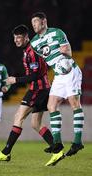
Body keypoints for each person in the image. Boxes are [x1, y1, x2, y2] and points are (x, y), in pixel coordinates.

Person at [0, 24, 54, 162]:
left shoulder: (31, 51)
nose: (16, 40)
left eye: (19, 37)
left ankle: (6, 152)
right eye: (15, 38)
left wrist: (15, 80)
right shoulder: (27, 50)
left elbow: (35, 75)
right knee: (35, 124)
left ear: (26, 37)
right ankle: (57, 148)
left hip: (38, 88)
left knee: (19, 116)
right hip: (42, 88)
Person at [30, 12, 84, 166]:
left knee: (74, 104)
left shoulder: (57, 32)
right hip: (59, 76)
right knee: (51, 106)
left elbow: (68, 51)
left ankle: (78, 141)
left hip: (69, 71)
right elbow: (46, 59)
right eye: (32, 22)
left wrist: (64, 61)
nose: (34, 25)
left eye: (36, 22)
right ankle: (57, 143)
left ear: (44, 22)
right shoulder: (34, 43)